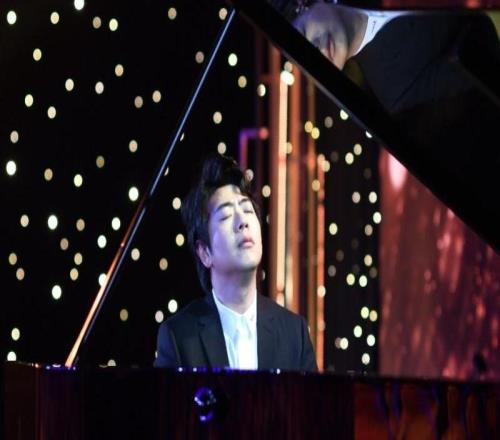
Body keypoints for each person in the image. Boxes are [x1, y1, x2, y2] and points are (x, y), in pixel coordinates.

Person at [154, 153, 317, 371]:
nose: (243, 222)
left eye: (247, 210)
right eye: (226, 216)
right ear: (204, 252)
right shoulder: (178, 336)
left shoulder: (294, 332)